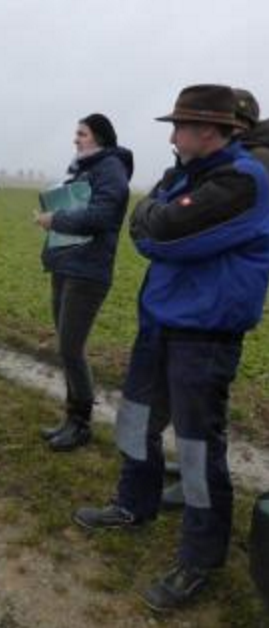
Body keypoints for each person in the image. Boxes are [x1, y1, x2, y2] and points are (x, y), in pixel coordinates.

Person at [73, 85, 269, 613]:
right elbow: (147, 222)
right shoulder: (186, 173)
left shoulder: (243, 182)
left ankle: (201, 558)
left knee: (199, 451)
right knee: (136, 423)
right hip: (158, 322)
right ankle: (134, 505)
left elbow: (163, 235)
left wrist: (156, 218)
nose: (172, 134)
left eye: (180, 125)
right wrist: (156, 217)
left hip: (204, 335)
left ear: (211, 129)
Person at [162, 87, 269, 512]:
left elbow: (179, 227)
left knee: (205, 411)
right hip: (211, 296)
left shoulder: (249, 168)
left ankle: (199, 490)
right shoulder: (233, 163)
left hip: (220, 300)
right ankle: (193, 475)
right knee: (199, 409)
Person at [34, 114, 133, 451]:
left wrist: (55, 219)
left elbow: (102, 216)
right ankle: (70, 418)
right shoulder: (83, 167)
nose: (76, 139)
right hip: (67, 264)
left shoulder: (111, 169)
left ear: (100, 137)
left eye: (82, 133)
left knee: (71, 348)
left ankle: (81, 424)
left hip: (88, 271)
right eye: (76, 133)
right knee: (66, 345)